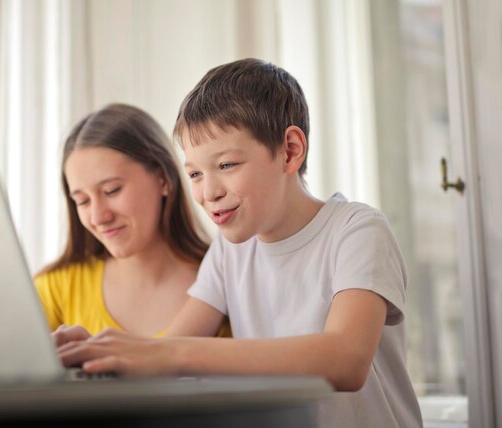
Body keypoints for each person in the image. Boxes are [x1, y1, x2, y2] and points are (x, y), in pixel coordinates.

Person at [54, 59, 423, 427]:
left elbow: (346, 360)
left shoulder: (357, 231)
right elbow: (167, 352)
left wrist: (171, 354)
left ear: (291, 150)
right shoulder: (229, 252)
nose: (208, 192)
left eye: (227, 165)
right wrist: (98, 354)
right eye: (196, 173)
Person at [34, 103, 231, 340]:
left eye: (112, 190)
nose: (98, 217)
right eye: (83, 201)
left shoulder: (228, 282)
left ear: (162, 179)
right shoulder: (54, 289)